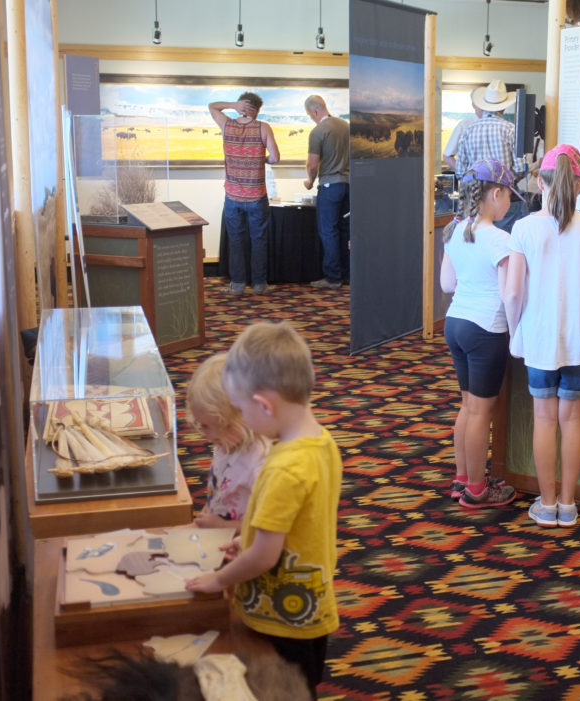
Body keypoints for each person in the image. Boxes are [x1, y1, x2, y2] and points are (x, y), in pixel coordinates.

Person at [186, 321, 343, 697]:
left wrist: (218, 580)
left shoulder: (282, 469)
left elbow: (264, 557)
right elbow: (295, 527)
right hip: (313, 605)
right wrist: (250, 537)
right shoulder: (322, 443)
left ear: (263, 405)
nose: (242, 416)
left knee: (284, 691)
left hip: (281, 617)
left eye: (240, 407)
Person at [503, 144, 580, 528]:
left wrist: (514, 331)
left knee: (543, 419)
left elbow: (514, 292)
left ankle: (546, 504)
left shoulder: (523, 229)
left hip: (539, 338)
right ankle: (568, 504)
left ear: (539, 181)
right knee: (571, 419)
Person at [440, 158, 519, 509]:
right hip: (486, 329)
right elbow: (510, 295)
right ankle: (476, 490)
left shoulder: (458, 229)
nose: (509, 205)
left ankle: (461, 478)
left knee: (468, 406)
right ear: (496, 193)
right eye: (508, 198)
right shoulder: (499, 238)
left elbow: (447, 284)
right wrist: (516, 335)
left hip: (455, 322)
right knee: (481, 413)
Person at [187, 353, 271, 529]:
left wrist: (223, 526)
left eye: (224, 426)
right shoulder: (227, 443)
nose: (212, 436)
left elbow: (269, 526)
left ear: (247, 412)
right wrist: (208, 510)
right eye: (204, 426)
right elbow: (220, 488)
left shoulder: (261, 461)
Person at [209, 93, 281, 296]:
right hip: (257, 195)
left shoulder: (227, 125)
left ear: (241, 106)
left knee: (236, 240)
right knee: (259, 240)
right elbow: (275, 158)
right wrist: (262, 159)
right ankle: (259, 285)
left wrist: (232, 105)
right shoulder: (263, 128)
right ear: (257, 109)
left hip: (232, 196)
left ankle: (238, 285)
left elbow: (212, 106)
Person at [455, 80, 529, 231]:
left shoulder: (468, 131)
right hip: (504, 197)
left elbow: (460, 172)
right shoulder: (511, 130)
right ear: (503, 107)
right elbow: (521, 168)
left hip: (476, 199)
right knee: (505, 245)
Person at [303, 95, 350, 290]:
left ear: (314, 112)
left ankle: (332, 277)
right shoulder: (346, 126)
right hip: (350, 185)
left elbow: (313, 165)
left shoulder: (318, 131)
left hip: (330, 186)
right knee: (345, 230)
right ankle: (346, 273)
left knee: (328, 231)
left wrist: (310, 181)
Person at [441, 105, 481, 172]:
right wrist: (467, 175)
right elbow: (447, 155)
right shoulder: (465, 125)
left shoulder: (503, 125)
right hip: (474, 180)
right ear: (474, 104)